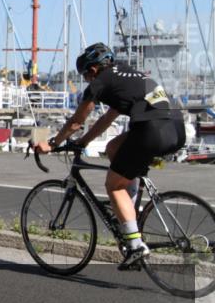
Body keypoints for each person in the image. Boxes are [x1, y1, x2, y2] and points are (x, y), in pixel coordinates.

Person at [35, 43, 185, 270]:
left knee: (113, 185)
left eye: (85, 75)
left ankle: (135, 245)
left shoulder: (99, 83)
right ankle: (129, 212)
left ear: (93, 70)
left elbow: (77, 121)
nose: (86, 80)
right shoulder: (126, 73)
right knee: (113, 148)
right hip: (175, 127)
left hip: (150, 130)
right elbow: (108, 118)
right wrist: (84, 142)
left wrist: (53, 143)